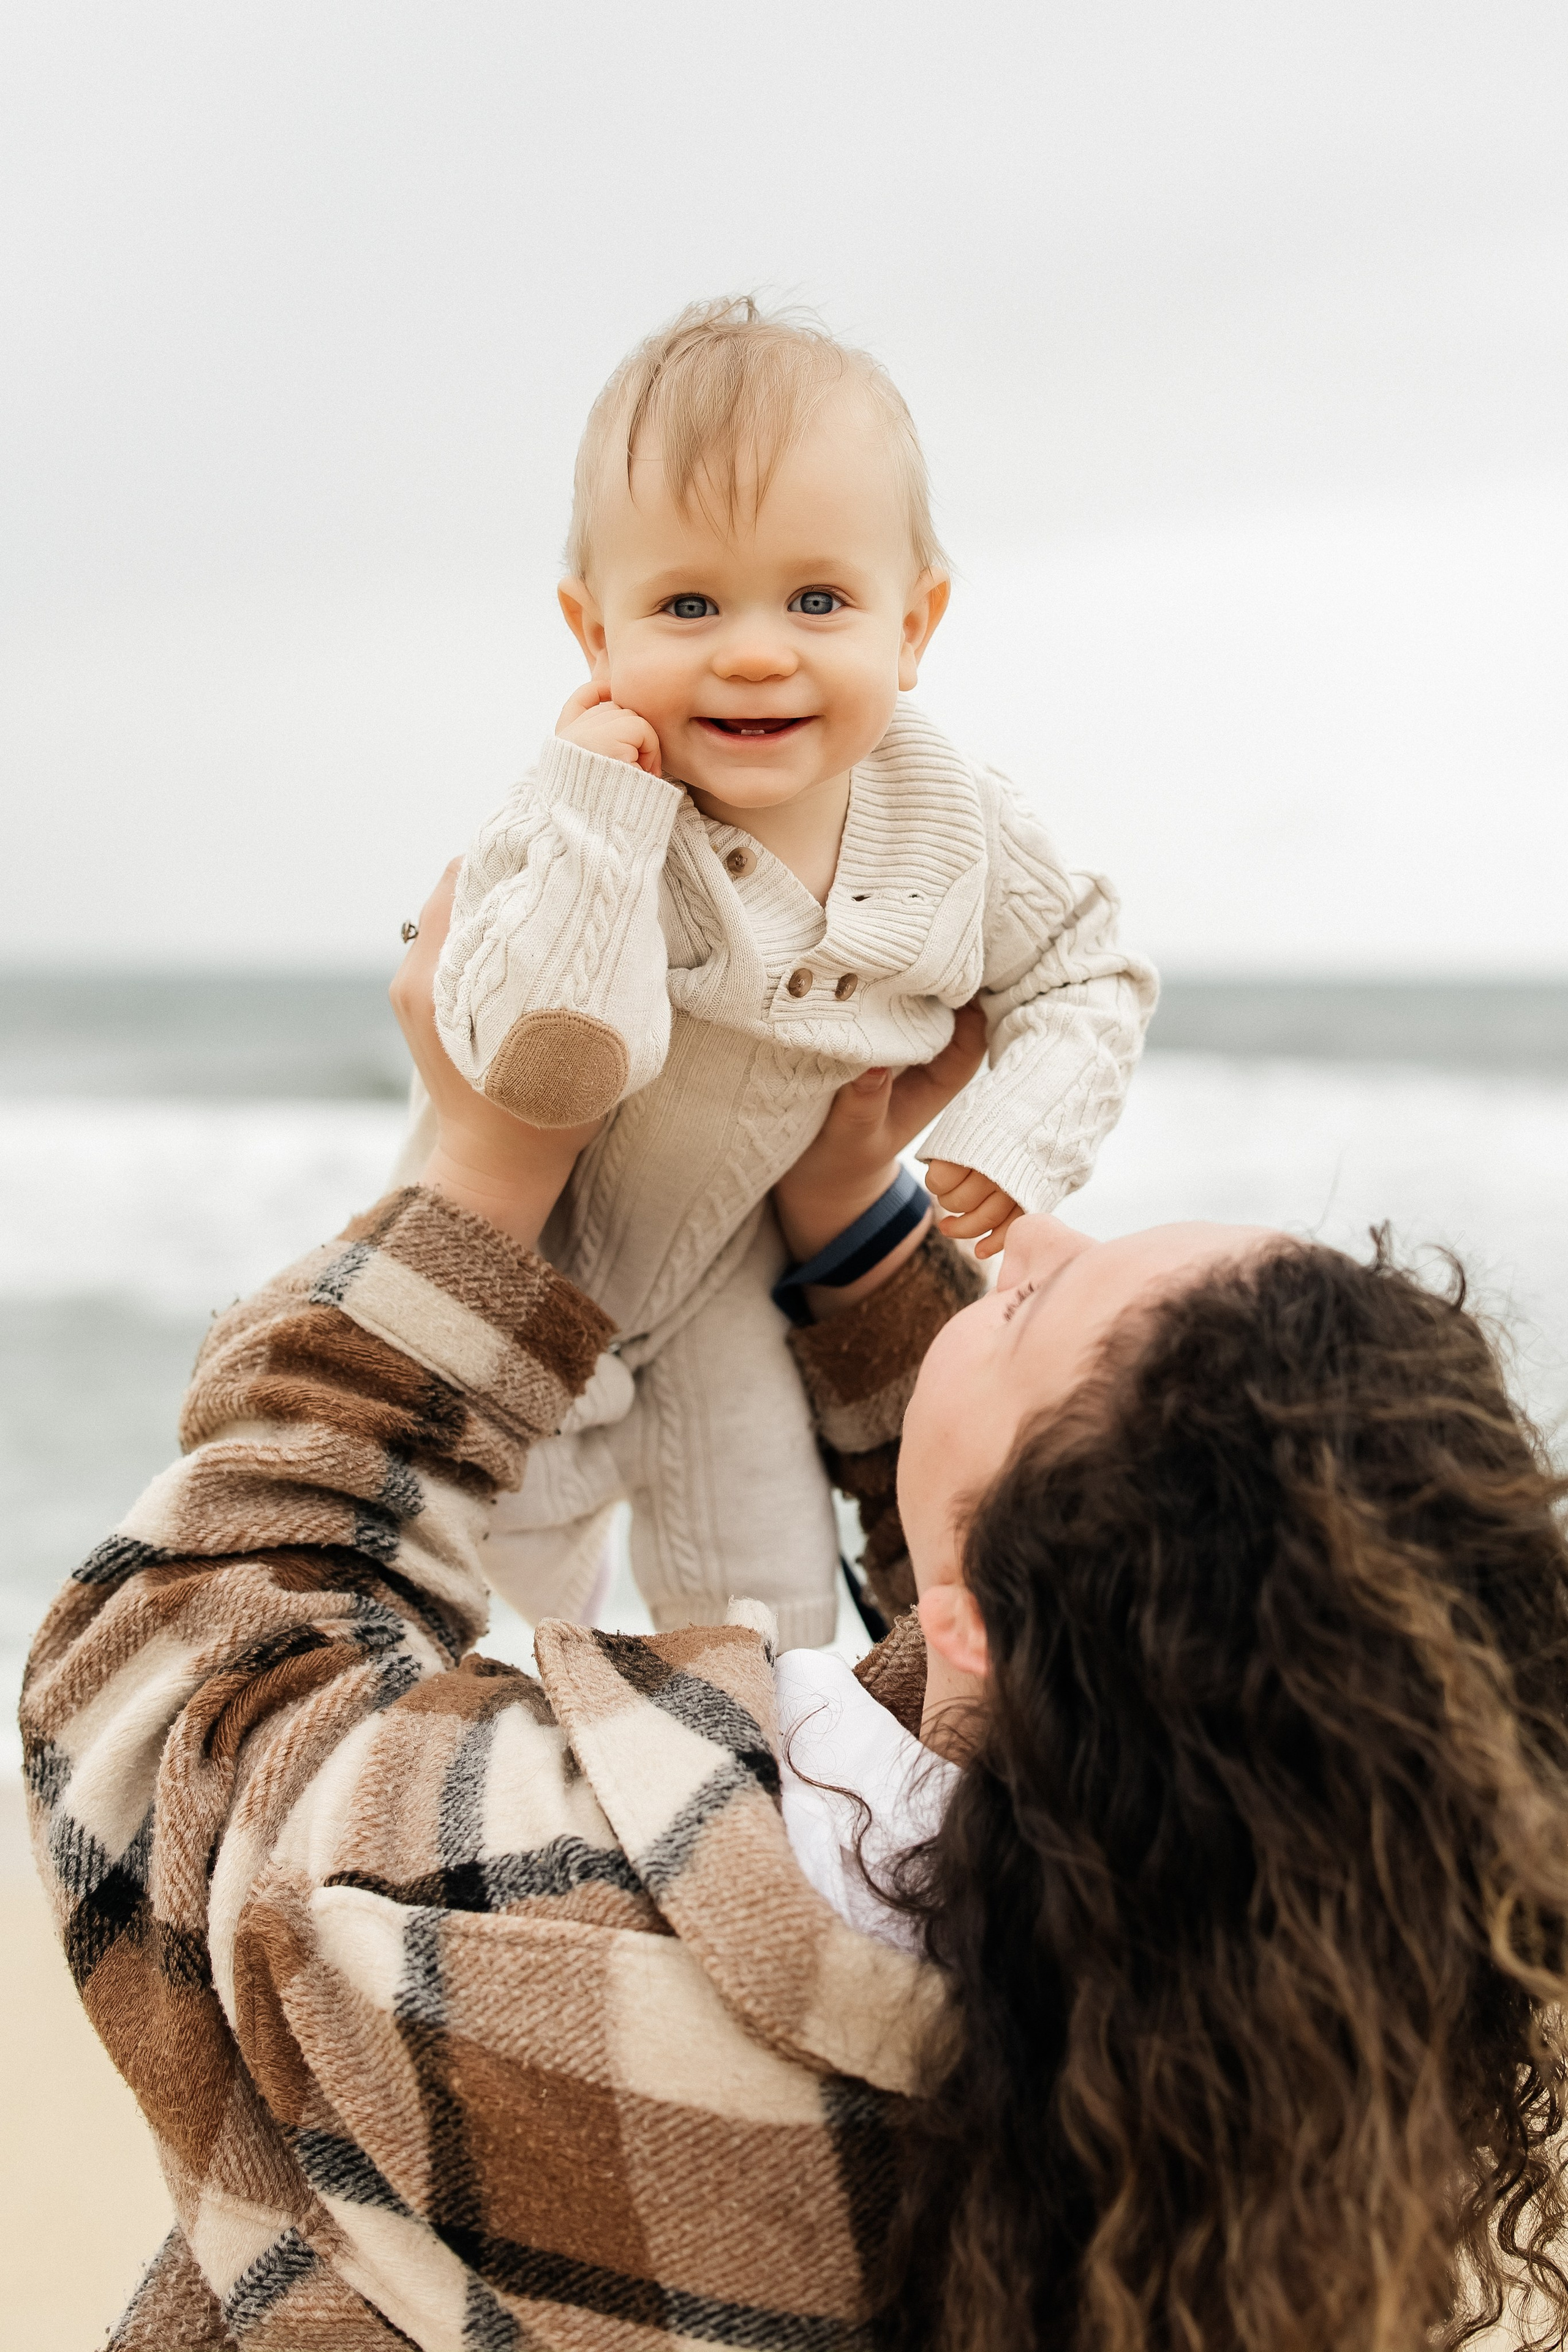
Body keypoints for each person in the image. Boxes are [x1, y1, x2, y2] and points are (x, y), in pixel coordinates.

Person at [23, 877, 1568, 2352]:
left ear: (991, 1627)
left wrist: (485, 1178)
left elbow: (181, 1685)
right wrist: (855, 1234)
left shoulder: (541, 1940)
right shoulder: (1287, 2046)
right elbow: (1061, 1611)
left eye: (1024, 1306)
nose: (1024, 1236)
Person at [392, 294, 1156, 1648]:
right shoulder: (576, 807)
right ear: (593, 636)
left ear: (912, 624)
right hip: (521, 1254)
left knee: (765, 1612)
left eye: (817, 598)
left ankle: (756, 1821)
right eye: (686, 603)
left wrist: (1014, 1135)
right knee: (415, 1553)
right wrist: (598, 813)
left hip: (729, 1292)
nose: (754, 648)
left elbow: (1085, 967)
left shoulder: (953, 818)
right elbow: (507, 1045)